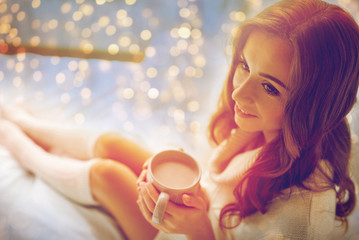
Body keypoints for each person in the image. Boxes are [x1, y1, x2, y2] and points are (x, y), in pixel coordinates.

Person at [0, 0, 358, 239]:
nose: (237, 94)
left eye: (269, 87)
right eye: (244, 67)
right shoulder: (270, 127)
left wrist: (198, 227)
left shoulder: (301, 215)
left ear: (314, 105)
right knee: (111, 143)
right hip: (205, 212)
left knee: (105, 175)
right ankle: (27, 124)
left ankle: (14, 141)